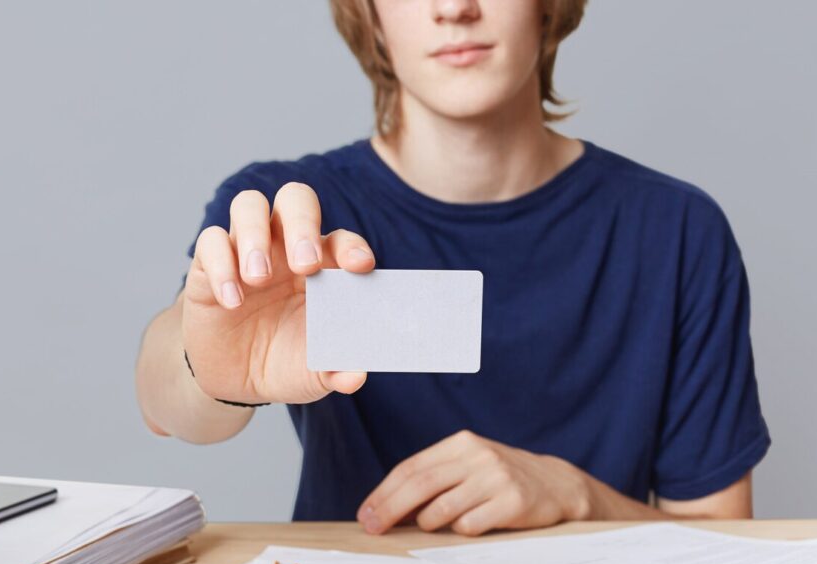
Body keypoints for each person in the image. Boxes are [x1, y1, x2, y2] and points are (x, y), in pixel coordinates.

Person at [135, 0, 770, 536]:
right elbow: (168, 402)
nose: (454, 9)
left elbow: (721, 542)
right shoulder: (291, 216)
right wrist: (213, 371)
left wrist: (580, 497)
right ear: (370, 14)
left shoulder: (677, 229)